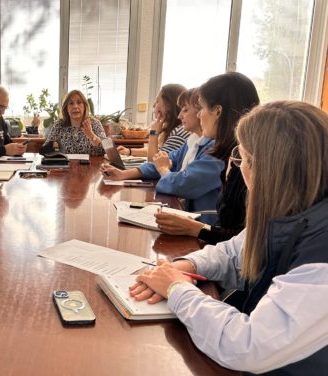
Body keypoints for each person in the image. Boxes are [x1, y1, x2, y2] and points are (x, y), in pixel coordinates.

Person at [131, 101, 328, 374]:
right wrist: (186, 266)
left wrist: (177, 289)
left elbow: (248, 347)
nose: (237, 166)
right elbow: (234, 252)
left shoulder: (321, 251)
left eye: (242, 158)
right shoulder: (294, 210)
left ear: (269, 170)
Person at [154, 72, 259, 243]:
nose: (198, 115)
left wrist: (196, 229)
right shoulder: (229, 152)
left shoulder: (241, 160)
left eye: (201, 108)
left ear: (217, 111)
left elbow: (245, 241)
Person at [119, 84, 189, 160]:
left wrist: (153, 134)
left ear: (169, 105)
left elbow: (153, 164)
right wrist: (129, 151)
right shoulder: (175, 130)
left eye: (157, 101)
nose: (153, 105)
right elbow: (158, 151)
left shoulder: (178, 134)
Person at [41, 90, 106, 155]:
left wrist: (91, 135)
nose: (75, 106)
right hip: (66, 164)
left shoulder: (95, 124)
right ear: (66, 108)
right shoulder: (59, 125)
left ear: (84, 106)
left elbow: (105, 150)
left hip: (91, 164)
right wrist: (53, 146)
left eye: (79, 102)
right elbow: (44, 150)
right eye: (71, 103)